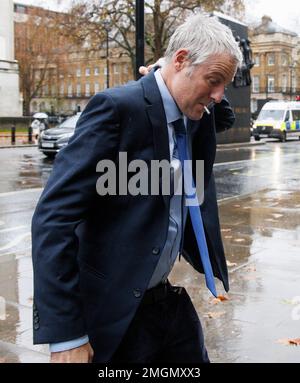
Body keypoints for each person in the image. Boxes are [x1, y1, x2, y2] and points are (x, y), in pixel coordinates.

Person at [31, 13, 242, 363]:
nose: (219, 96)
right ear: (180, 61)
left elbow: (226, 116)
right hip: (115, 308)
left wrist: (199, 79)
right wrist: (66, 335)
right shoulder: (118, 108)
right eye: (214, 80)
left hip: (164, 300)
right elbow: (53, 219)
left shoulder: (196, 111)